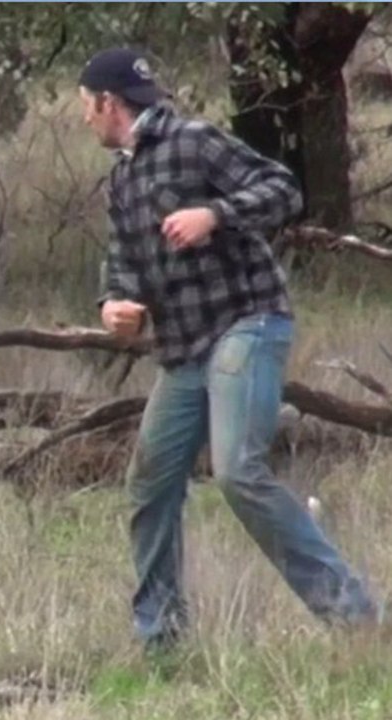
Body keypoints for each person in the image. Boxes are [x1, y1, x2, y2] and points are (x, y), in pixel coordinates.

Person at [77, 47, 381, 651]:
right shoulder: (122, 178)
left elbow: (283, 190)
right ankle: (161, 638)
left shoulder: (193, 142)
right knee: (151, 482)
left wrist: (214, 213)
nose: (84, 119)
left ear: (110, 104)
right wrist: (114, 304)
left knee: (239, 470)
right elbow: (123, 266)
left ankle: (358, 619)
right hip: (184, 349)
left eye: (86, 107)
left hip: (247, 323)